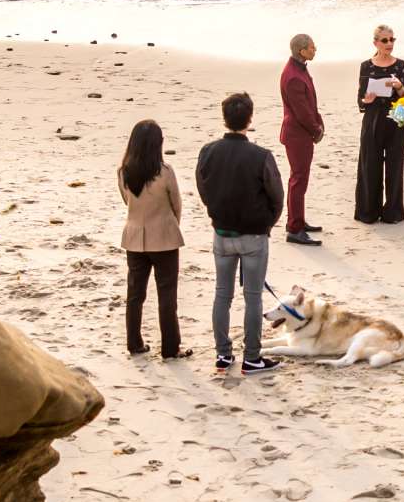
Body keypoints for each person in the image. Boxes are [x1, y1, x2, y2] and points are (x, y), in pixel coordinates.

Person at [196, 91, 284, 374]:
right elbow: (277, 196)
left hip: (222, 232)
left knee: (223, 294)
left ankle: (223, 354)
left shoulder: (208, 151)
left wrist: (215, 210)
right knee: (252, 296)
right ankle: (252, 356)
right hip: (253, 235)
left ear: (225, 119)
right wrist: (267, 223)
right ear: (249, 119)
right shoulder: (260, 156)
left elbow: (203, 186)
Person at [118, 119, 188, 358]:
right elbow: (176, 205)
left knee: (135, 294)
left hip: (134, 236)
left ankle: (134, 343)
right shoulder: (165, 172)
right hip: (164, 237)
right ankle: (170, 348)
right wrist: (170, 225)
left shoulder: (124, 172)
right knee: (167, 295)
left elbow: (126, 201)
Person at [353, 25, 404, 224]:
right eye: (385, 40)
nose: (389, 44)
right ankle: (368, 211)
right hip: (373, 119)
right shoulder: (366, 66)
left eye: (392, 39)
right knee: (370, 165)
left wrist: (400, 87)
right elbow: (360, 98)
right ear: (375, 42)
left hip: (395, 119)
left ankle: (393, 211)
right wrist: (366, 100)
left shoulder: (401, 65)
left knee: (395, 166)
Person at [279, 33, 324, 247]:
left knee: (300, 179)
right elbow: (302, 111)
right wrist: (316, 129)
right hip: (297, 134)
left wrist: (318, 121)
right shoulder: (294, 76)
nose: (315, 50)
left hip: (301, 132)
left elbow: (310, 104)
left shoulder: (300, 68)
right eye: (312, 47)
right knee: (298, 179)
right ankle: (295, 228)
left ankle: (298, 221)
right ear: (301, 51)